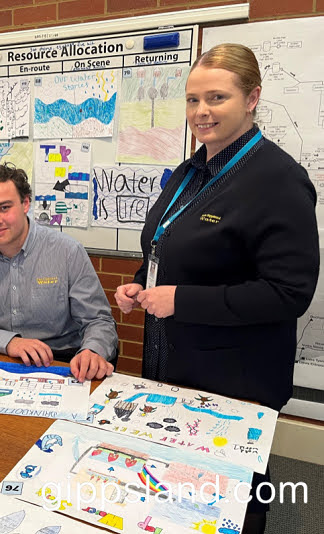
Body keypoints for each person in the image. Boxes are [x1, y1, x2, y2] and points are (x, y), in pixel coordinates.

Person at [115, 44, 319, 533]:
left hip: (236, 376)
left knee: (235, 499)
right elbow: (168, 247)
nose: (201, 111)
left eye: (216, 98)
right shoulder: (190, 170)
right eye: (191, 100)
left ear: (252, 99)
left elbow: (289, 293)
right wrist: (141, 283)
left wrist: (180, 300)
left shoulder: (279, 178)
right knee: (185, 494)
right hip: (175, 360)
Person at [0, 163, 117, 382]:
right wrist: (9, 342)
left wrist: (93, 351)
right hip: (3, 357)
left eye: (4, 208)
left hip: (63, 361)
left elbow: (98, 321)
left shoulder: (67, 251)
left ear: (26, 203)